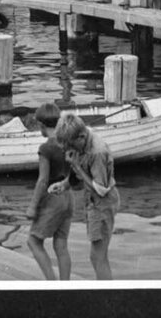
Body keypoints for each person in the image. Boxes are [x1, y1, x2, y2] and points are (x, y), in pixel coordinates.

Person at [50, 113, 120, 280]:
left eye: (71, 146)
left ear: (81, 137)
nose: (69, 151)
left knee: (98, 257)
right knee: (96, 256)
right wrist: (64, 185)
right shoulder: (82, 135)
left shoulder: (97, 152)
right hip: (92, 202)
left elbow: (101, 189)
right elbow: (81, 171)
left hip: (103, 203)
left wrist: (75, 166)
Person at [25, 102, 73, 280]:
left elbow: (43, 180)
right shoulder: (67, 143)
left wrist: (32, 206)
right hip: (68, 196)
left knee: (33, 241)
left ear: (42, 125)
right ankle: (65, 286)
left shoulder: (46, 148)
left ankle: (52, 283)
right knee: (61, 245)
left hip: (52, 199)